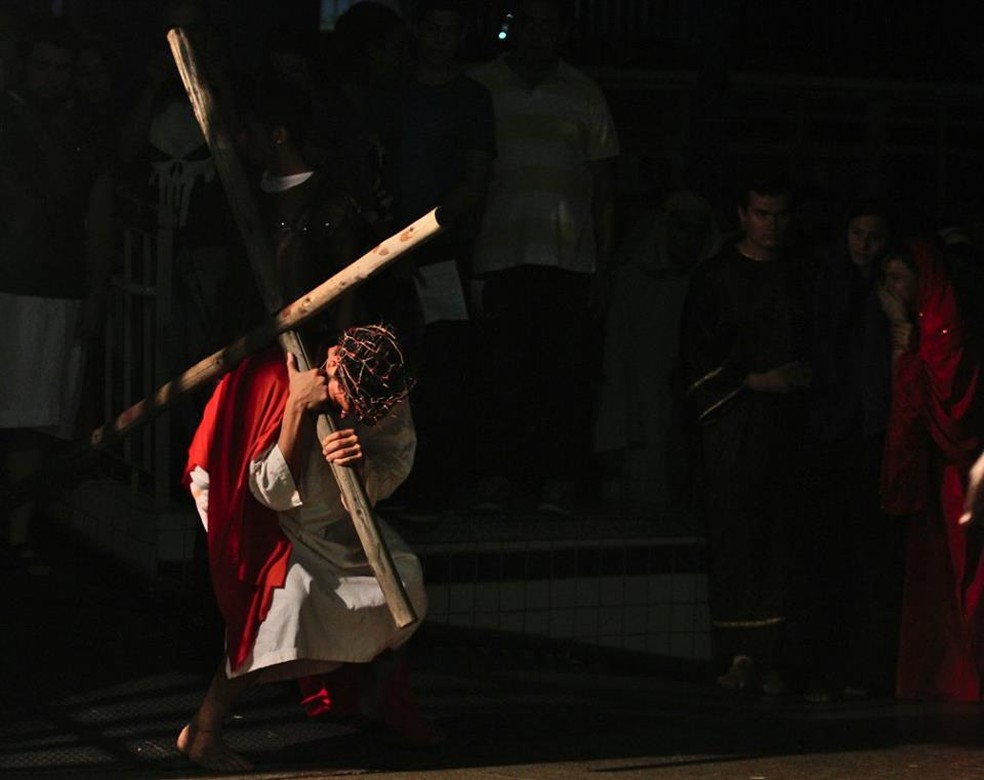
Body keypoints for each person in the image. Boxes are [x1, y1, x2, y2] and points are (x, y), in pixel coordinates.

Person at [178, 323, 442, 772]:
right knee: (281, 606)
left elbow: (393, 459)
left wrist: (359, 465)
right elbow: (266, 492)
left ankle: (372, 694)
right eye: (347, 398)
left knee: (402, 579)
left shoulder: (381, 384)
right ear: (334, 361)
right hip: (252, 506)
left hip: (330, 511)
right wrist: (298, 409)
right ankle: (204, 729)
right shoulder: (272, 382)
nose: (355, 410)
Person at [468, 0, 619, 514]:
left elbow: (603, 186)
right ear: (512, 27)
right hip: (499, 253)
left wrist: (605, 264)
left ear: (561, 32)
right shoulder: (481, 86)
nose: (537, 34)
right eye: (527, 23)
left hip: (569, 258)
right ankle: (497, 476)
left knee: (563, 378)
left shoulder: (584, 92)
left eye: (547, 24)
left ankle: (557, 480)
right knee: (500, 373)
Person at [678, 173, 812, 694]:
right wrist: (757, 381)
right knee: (737, 534)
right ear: (741, 215)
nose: (771, 226)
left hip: (790, 428)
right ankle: (739, 654)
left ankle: (779, 656)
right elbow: (694, 357)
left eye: (779, 215)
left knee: (785, 536)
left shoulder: (802, 274)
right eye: (762, 214)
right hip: (733, 425)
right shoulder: (716, 278)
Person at [0, 15, 114, 575]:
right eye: (40, 65)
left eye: (59, 68)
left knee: (32, 420)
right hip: (9, 284)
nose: (50, 77)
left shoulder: (81, 133)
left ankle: (18, 535)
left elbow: (97, 214)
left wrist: (93, 291)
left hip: (52, 288)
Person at [375, 0, 495, 518]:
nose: (442, 39)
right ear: (419, 32)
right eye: (434, 28)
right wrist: (391, 240)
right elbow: (377, 166)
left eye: (452, 30)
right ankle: (398, 484)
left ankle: (442, 486)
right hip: (386, 251)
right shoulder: (394, 93)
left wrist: (427, 235)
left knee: (446, 365)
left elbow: (476, 178)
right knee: (394, 366)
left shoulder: (472, 98)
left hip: (444, 252)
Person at [789, 199, 904, 701]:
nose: (864, 245)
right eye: (857, 232)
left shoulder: (888, 288)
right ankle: (826, 667)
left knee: (866, 554)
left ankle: (861, 668)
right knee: (828, 550)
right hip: (830, 430)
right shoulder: (826, 282)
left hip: (868, 433)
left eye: (873, 235)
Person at [878, 239, 984, 701]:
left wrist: (906, 340)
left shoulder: (944, 327)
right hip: (935, 474)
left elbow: (946, 409)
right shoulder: (913, 324)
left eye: (899, 279)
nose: (891, 290)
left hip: (956, 475)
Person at [594, 190, 718, 515]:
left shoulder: (711, 285)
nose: (688, 239)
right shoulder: (635, 282)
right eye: (681, 228)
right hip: (640, 429)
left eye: (697, 230)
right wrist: (612, 437)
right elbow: (614, 363)